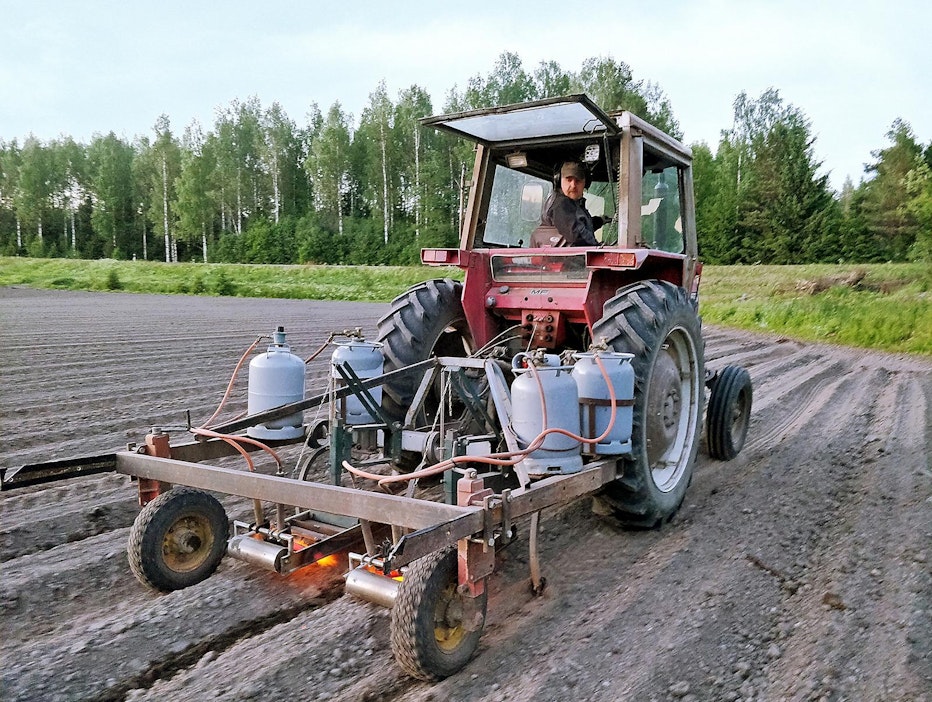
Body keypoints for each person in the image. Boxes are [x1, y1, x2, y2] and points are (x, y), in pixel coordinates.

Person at [537, 161, 605, 247]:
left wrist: (600, 221)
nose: (573, 185)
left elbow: (577, 224)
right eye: (569, 180)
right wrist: (597, 247)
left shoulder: (571, 204)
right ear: (559, 181)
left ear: (585, 183)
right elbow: (575, 234)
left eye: (578, 181)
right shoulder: (561, 204)